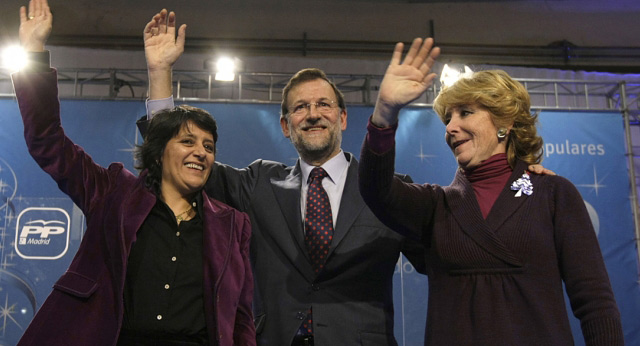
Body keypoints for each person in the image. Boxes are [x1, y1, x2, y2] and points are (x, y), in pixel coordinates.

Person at [141, 9, 430, 346]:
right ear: (286, 126)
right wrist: (160, 72)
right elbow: (174, 163)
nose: (312, 114)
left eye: (323, 104)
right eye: (299, 108)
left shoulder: (384, 188)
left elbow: (436, 260)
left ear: (343, 117)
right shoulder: (259, 182)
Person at [13, 1, 255, 345]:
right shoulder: (112, 195)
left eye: (209, 146)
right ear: (159, 152)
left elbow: (241, 317)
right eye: (188, 141)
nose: (201, 151)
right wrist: (34, 52)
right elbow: (46, 141)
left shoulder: (232, 226)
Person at [358, 38, 624, 345]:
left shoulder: (553, 194)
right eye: (448, 118)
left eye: (465, 113)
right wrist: (384, 113)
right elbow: (376, 190)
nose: (450, 127)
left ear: (504, 121)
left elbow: (595, 301)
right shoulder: (436, 205)